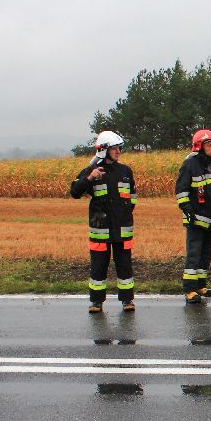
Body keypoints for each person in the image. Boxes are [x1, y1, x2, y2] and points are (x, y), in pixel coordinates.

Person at [70, 131, 137, 313]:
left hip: (122, 228)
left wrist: (125, 214)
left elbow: (132, 197)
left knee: (124, 266)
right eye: (114, 148)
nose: (118, 152)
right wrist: (90, 178)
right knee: (99, 266)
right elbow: (75, 192)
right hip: (100, 229)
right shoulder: (92, 171)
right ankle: (96, 302)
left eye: (119, 148)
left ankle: (127, 300)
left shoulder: (125, 171)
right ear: (103, 150)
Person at [176, 129, 211, 304]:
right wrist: (187, 209)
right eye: (209, 145)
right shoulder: (189, 165)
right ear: (199, 146)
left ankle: (201, 285)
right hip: (195, 219)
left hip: (209, 219)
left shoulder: (208, 165)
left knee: (205, 254)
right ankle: (189, 289)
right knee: (194, 254)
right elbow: (181, 191)